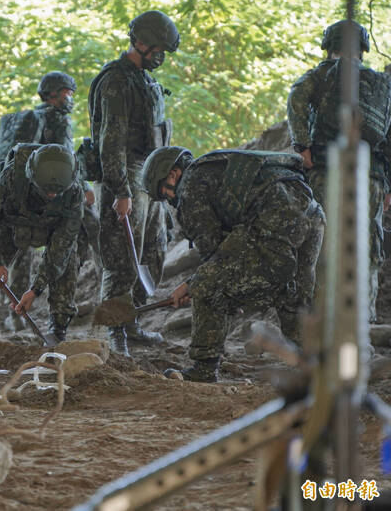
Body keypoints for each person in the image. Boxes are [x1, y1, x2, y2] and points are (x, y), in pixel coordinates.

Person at [140, 146, 325, 382]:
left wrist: (193, 286)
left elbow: (213, 253)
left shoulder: (190, 188)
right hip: (312, 215)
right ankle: (319, 366)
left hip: (275, 223)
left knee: (206, 285)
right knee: (294, 294)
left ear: (174, 174)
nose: (167, 198)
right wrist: (234, 289)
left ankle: (203, 370)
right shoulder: (214, 166)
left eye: (164, 191)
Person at [287, 19, 391, 322]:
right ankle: (363, 322)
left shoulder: (320, 75)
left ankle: (323, 321)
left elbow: (296, 100)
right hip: (369, 176)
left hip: (326, 168)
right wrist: (387, 183)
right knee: (368, 246)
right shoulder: (380, 85)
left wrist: (302, 146)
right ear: (362, 48)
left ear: (329, 45)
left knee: (324, 242)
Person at [88, 10, 179, 355]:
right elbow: (110, 141)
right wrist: (121, 190)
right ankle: (116, 334)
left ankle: (133, 323)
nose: (161, 57)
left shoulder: (145, 80)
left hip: (149, 176)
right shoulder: (116, 81)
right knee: (121, 259)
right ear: (140, 44)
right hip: (124, 175)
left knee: (152, 250)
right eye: (158, 50)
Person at [0, 71, 79, 329]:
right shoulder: (57, 120)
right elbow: (65, 159)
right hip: (39, 199)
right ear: (54, 94)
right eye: (68, 93)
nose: (70, 99)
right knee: (66, 250)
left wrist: (35, 289)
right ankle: (17, 319)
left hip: (16, 201)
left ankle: (13, 318)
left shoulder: (26, 118)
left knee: (18, 254)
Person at [0, 144, 84, 345]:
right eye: (46, 190)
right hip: (9, 226)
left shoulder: (74, 193)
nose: (51, 195)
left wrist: (35, 290)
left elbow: (62, 246)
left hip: (51, 230)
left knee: (66, 266)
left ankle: (58, 332)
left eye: (57, 192)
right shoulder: (12, 177)